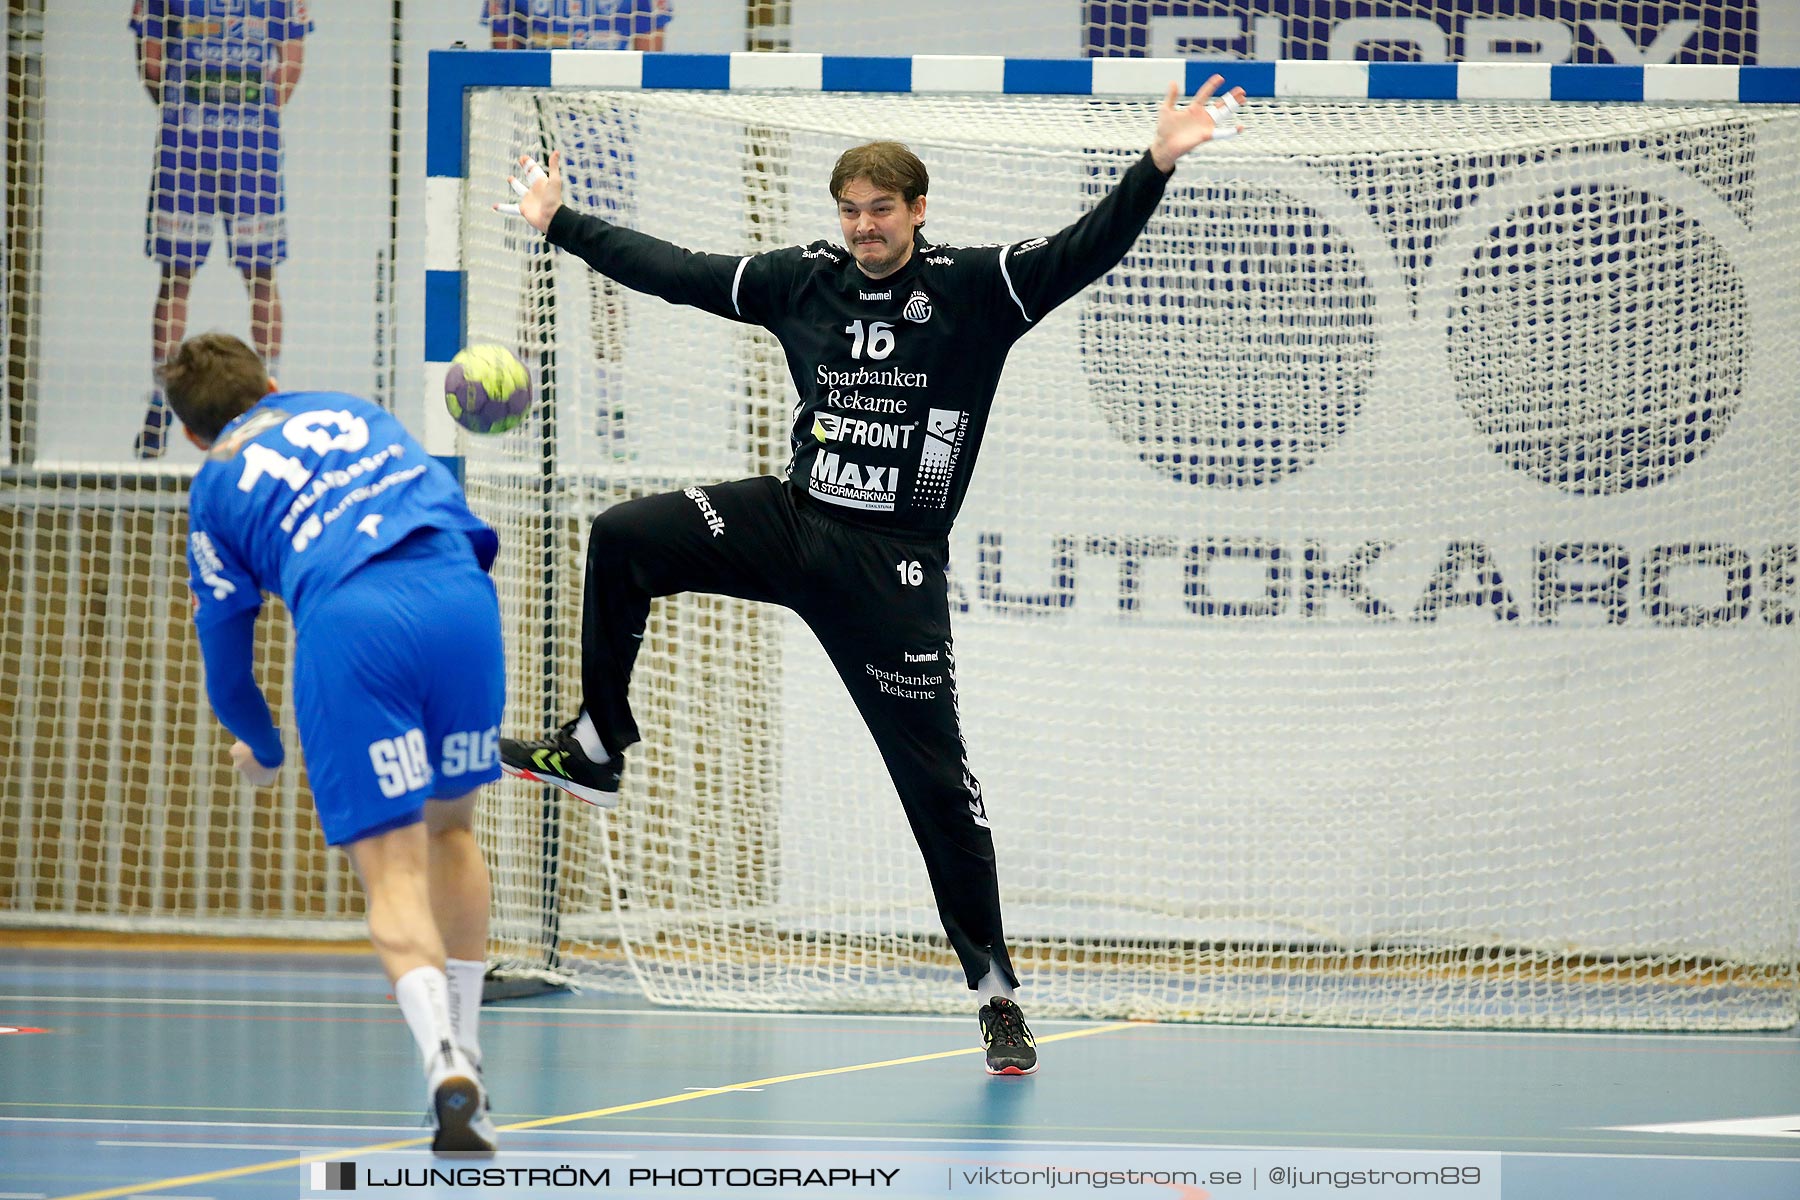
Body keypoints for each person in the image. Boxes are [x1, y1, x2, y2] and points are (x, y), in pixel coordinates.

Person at [497, 77, 1247, 1076]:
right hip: (792, 519)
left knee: (938, 790)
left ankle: (996, 996)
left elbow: (1088, 247)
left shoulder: (980, 289)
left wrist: (1155, 163)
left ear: (918, 211)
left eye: (881, 211)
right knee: (624, 535)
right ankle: (597, 745)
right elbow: (676, 269)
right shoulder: (804, 279)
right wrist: (560, 223)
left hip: (890, 568)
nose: (863, 228)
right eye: (850, 212)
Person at [167, 332, 505, 1153]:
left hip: (352, 623)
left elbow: (229, 675)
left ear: (191, 435)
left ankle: (442, 1062)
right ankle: (474, 1063)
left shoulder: (214, 486)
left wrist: (265, 749)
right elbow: (469, 529)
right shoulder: (349, 411)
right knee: (453, 831)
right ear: (273, 383)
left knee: (391, 872)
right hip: (460, 597)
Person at [130, 1, 311, 459]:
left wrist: (244, 116)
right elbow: (151, 61)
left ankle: (266, 394)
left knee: (259, 272)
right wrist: (196, 112)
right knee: (177, 274)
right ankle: (160, 403)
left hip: (244, 146)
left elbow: (290, 61)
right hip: (191, 143)